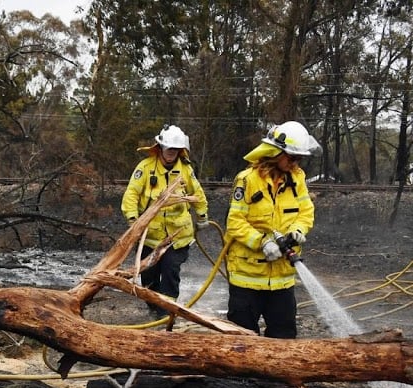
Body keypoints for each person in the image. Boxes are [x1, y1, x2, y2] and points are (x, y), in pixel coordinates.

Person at [224, 120, 319, 338]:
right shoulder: (246, 180)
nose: (295, 163)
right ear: (275, 152)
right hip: (246, 277)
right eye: (292, 157)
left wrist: (297, 231)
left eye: (299, 158)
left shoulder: (298, 179)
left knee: (283, 339)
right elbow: (235, 221)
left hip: (282, 280)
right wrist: (262, 242)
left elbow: (306, 212)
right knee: (240, 342)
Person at [121, 124, 209, 313]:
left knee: (170, 271)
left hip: (177, 238)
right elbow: (131, 195)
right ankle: (154, 308)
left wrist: (202, 217)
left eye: (176, 150)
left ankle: (167, 312)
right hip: (150, 237)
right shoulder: (145, 168)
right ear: (160, 147)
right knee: (149, 275)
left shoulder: (185, 170)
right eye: (169, 149)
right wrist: (133, 221)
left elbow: (198, 193)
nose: (172, 153)